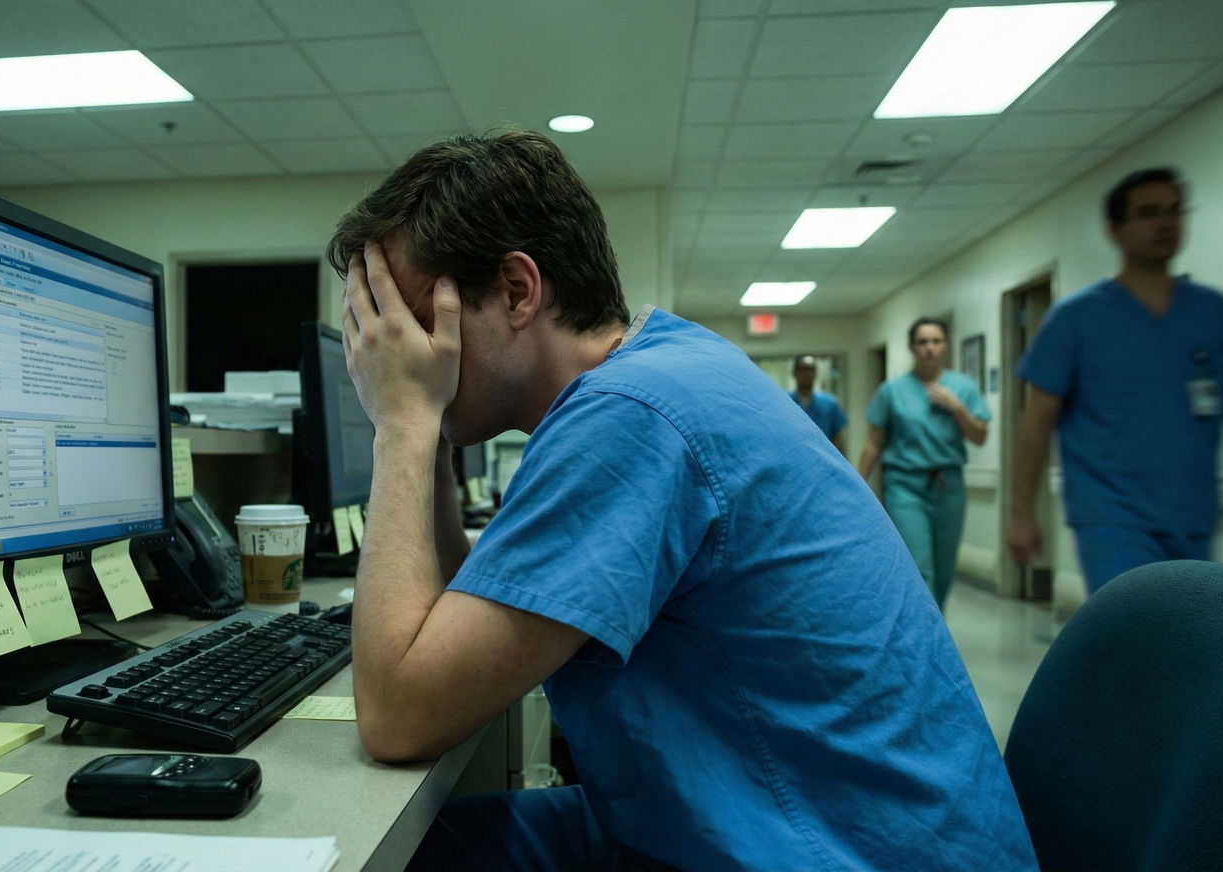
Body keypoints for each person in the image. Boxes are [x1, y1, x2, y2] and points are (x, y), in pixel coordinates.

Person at [329, 129, 1034, 871]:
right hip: (798, 815)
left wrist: (402, 422)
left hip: (835, 848)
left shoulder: (630, 418)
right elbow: (447, 625)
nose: (397, 353)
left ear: (516, 290)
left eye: (410, 321)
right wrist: (427, 429)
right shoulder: (665, 366)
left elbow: (399, 714)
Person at [1008, 167, 1223, 594]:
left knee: (1188, 635)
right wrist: (1022, 512)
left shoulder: (1212, 312)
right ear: (1115, 231)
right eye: (1148, 213)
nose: (1165, 223)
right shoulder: (1077, 319)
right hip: (1111, 515)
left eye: (1175, 211)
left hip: (1191, 510)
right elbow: (1037, 420)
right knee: (1137, 632)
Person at [856, 319, 991, 612]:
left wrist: (957, 408)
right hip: (905, 486)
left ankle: (935, 629)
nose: (929, 348)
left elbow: (980, 436)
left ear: (945, 346)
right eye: (922, 342)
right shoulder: (892, 390)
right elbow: (874, 442)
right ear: (912, 347)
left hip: (949, 486)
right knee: (920, 567)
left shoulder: (963, 388)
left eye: (936, 341)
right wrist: (858, 484)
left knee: (943, 569)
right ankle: (922, 641)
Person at [788, 353, 848, 454]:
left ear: (815, 373)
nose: (807, 374)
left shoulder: (829, 403)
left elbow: (838, 439)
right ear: (794, 373)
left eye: (810, 370)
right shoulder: (787, 402)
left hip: (823, 458)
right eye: (802, 370)